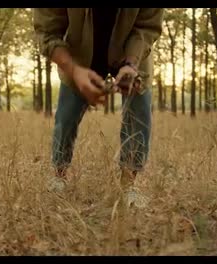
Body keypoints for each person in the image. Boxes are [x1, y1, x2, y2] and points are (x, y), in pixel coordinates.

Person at [33, 8, 164, 207]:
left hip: (131, 48)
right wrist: (73, 70)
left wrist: (131, 64)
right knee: (67, 114)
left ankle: (129, 185)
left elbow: (146, 27)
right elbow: (47, 33)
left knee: (139, 104)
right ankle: (59, 175)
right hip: (79, 52)